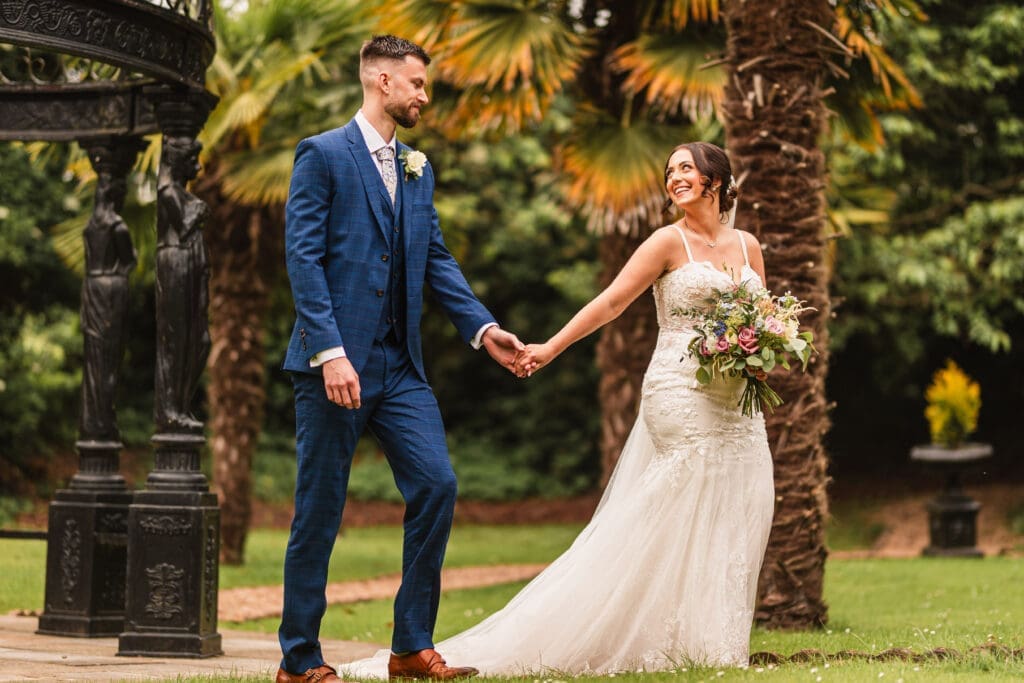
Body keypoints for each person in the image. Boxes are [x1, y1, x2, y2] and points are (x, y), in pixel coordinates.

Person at [343, 141, 775, 677]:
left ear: (716, 178)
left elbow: (764, 319)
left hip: (737, 402)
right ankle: (596, 620)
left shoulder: (749, 245)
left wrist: (765, 348)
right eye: (669, 171)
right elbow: (612, 301)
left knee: (737, 500)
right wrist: (549, 347)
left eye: (686, 168)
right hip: (680, 393)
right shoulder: (668, 242)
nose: (674, 178)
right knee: (671, 504)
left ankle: (710, 643)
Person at [277, 35, 525, 683]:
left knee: (437, 483)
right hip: (333, 365)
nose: (424, 95)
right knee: (321, 507)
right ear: (381, 81)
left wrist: (483, 328)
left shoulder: (419, 165)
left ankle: (411, 645)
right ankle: (299, 659)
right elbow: (303, 259)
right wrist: (330, 351)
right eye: (416, 84)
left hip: (400, 368)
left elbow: (434, 257)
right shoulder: (323, 155)